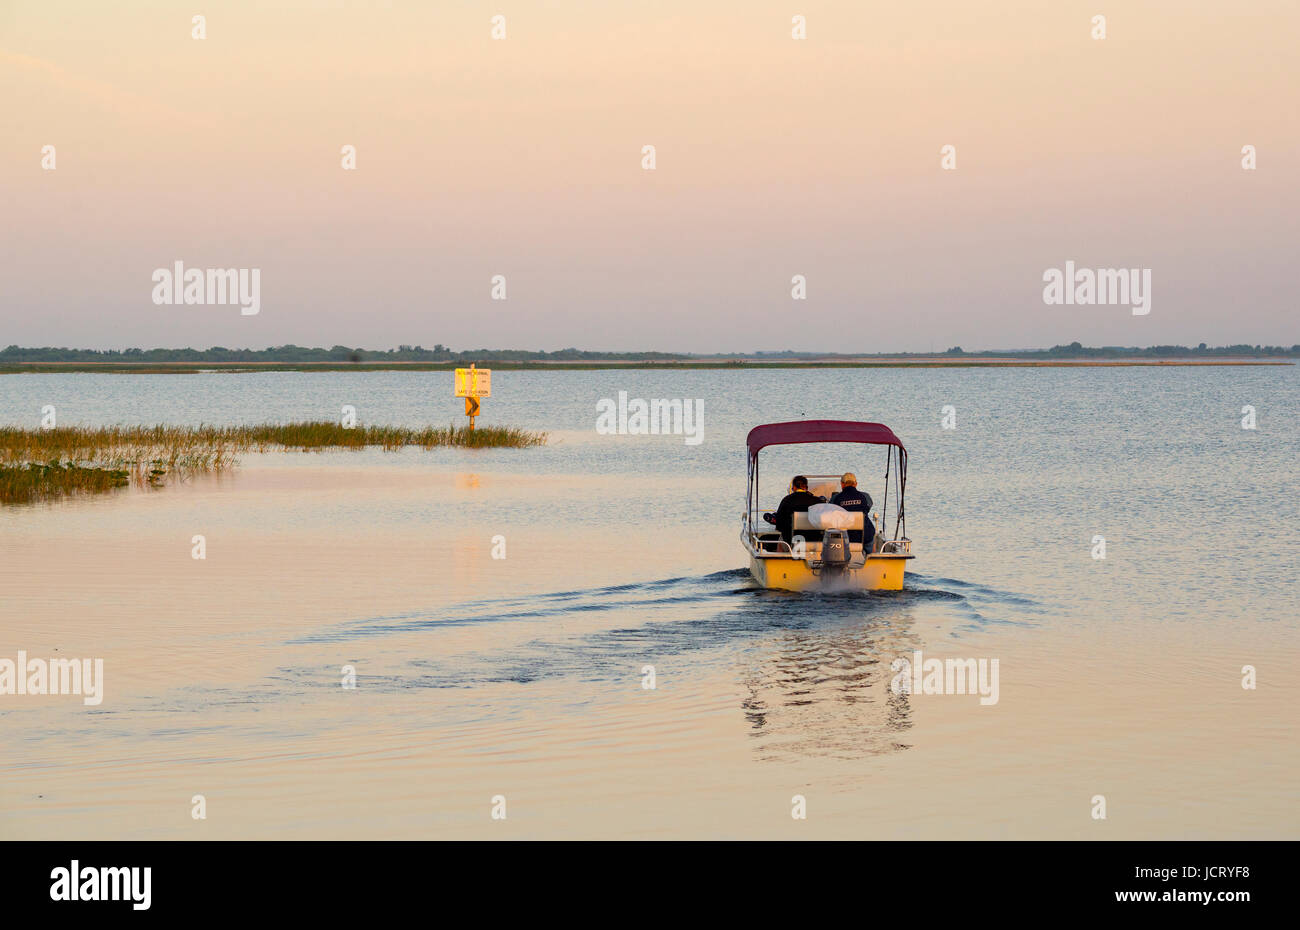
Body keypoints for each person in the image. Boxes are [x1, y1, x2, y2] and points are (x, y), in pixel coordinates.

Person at [763, 475, 826, 545]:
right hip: (815, 540)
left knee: (780, 542)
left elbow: (779, 523)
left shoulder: (786, 500)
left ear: (794, 487)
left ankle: (782, 555)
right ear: (806, 487)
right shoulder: (817, 501)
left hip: (792, 540)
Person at [830, 472, 875, 550]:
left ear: (842, 484)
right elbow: (867, 509)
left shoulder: (835, 498)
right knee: (870, 538)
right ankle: (870, 557)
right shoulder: (865, 496)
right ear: (855, 484)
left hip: (843, 537)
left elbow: (830, 512)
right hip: (864, 535)